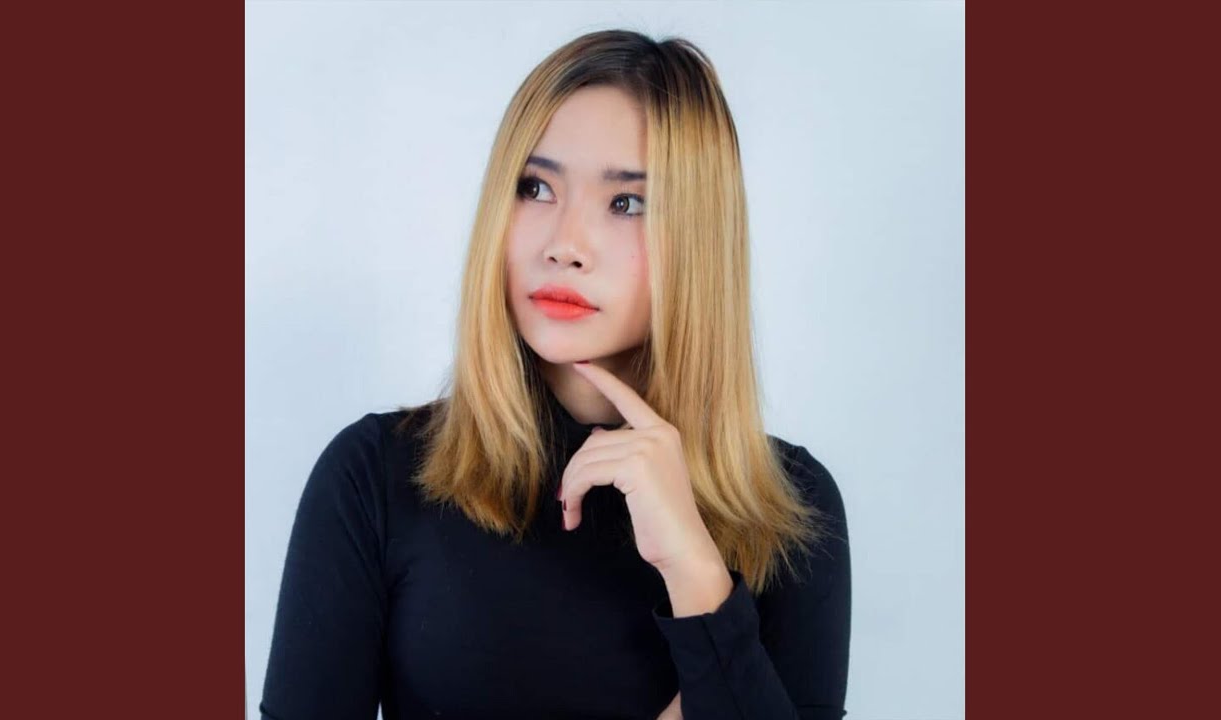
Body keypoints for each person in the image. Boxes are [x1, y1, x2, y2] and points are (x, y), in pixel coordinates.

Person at [259, 29, 850, 720]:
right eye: (535, 188)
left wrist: (696, 576)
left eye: (626, 203)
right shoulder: (375, 477)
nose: (565, 245)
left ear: (699, 240)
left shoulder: (791, 510)